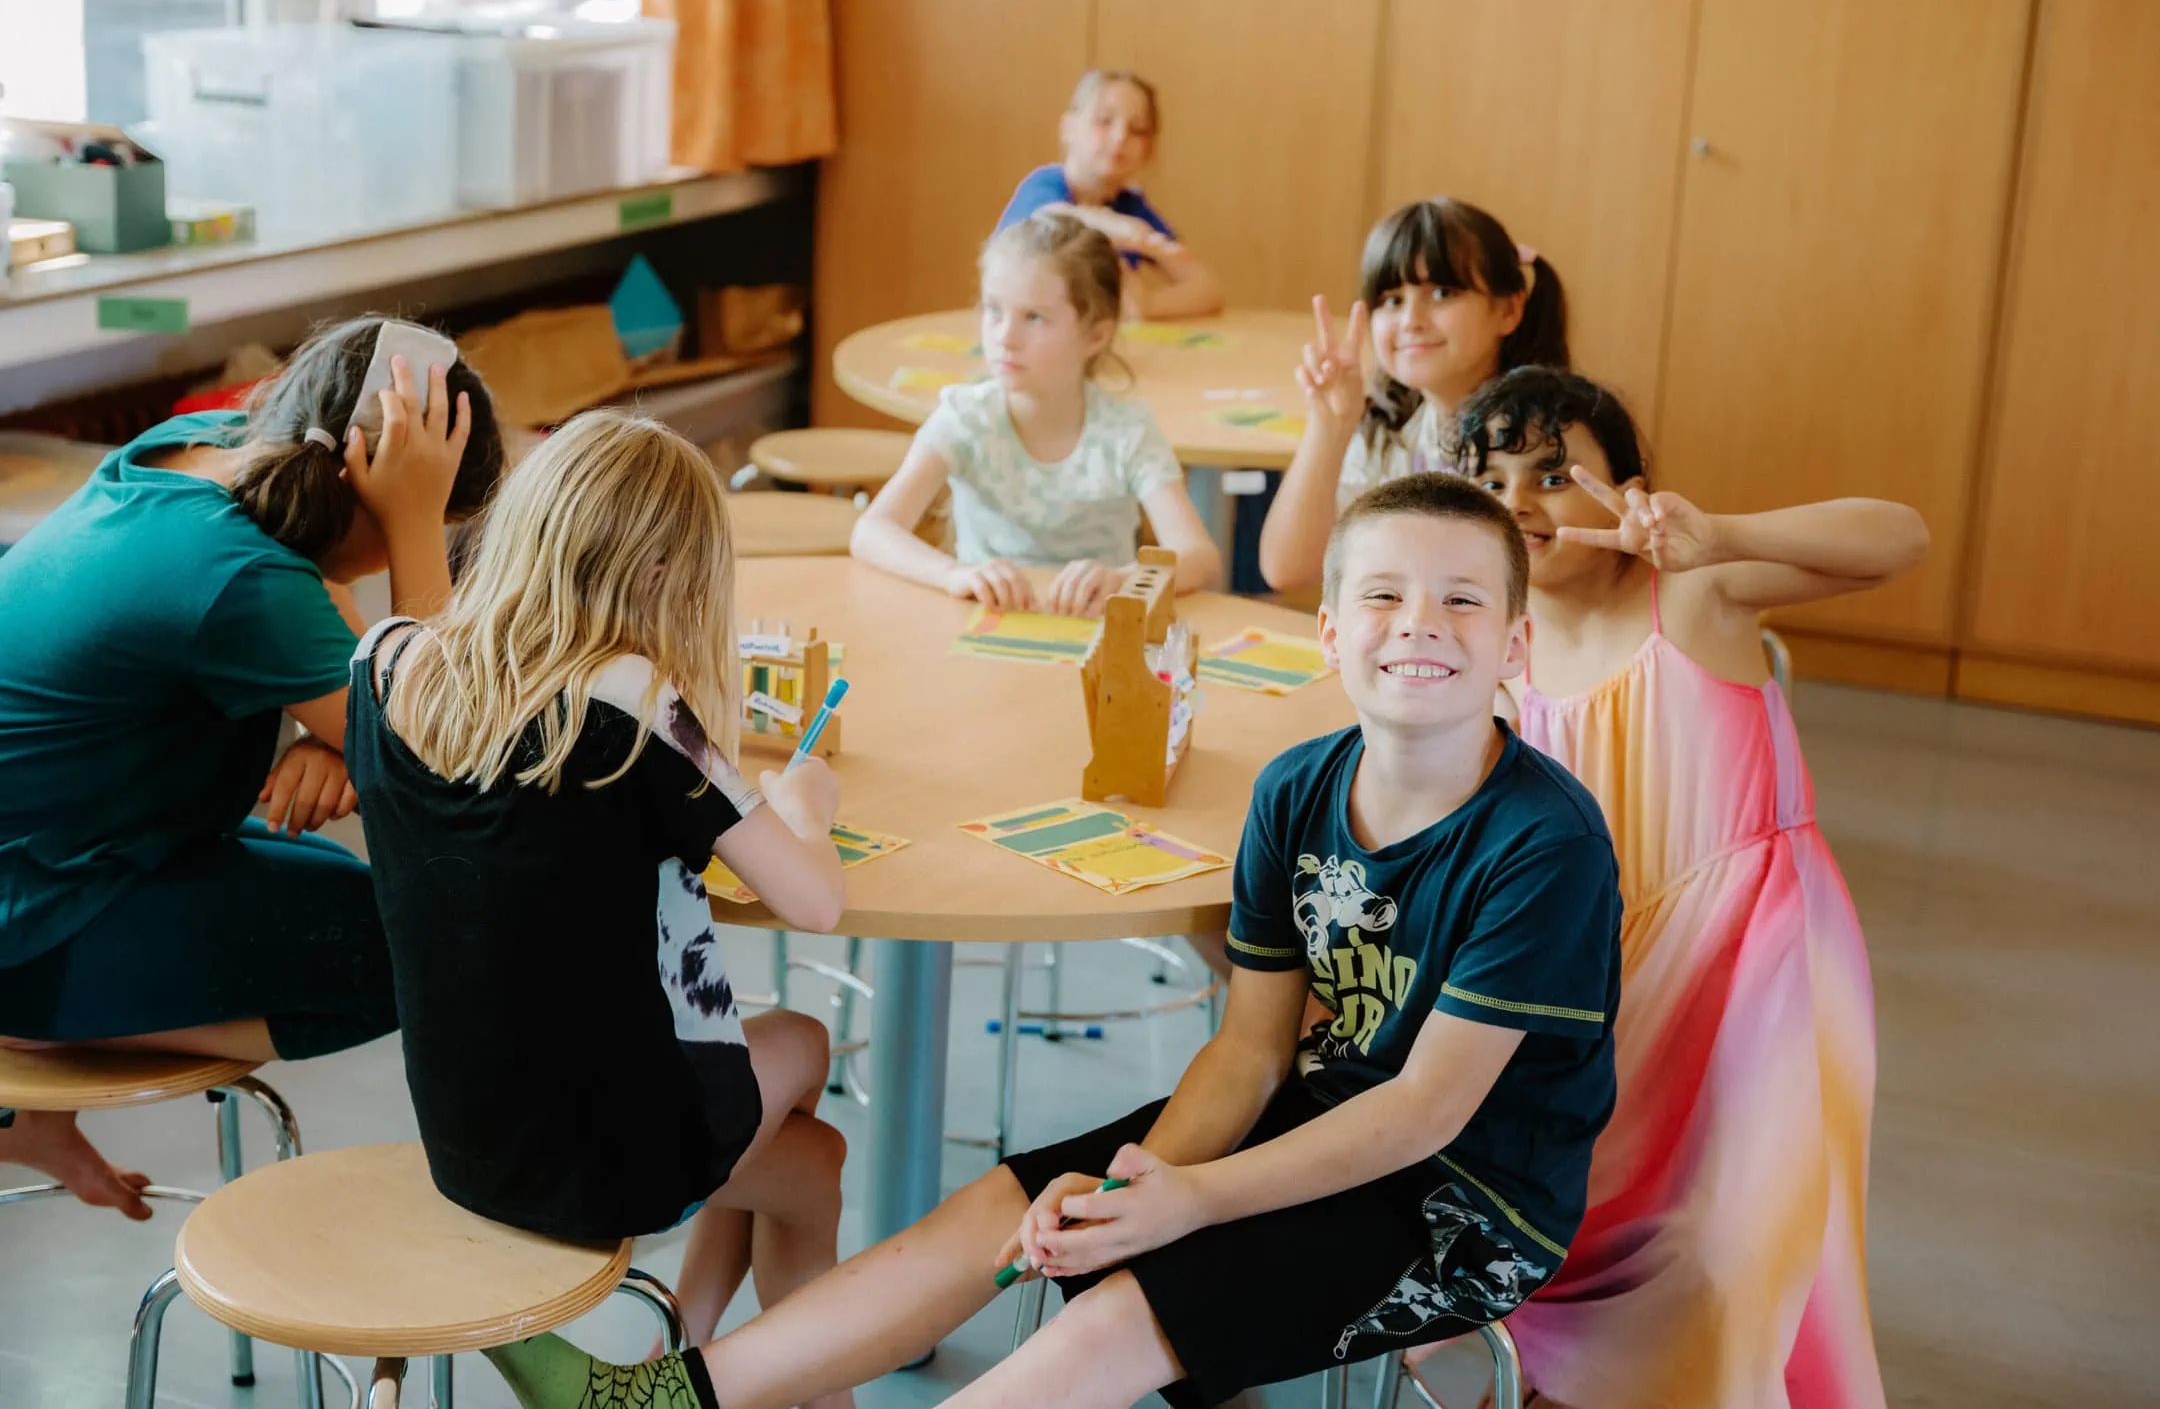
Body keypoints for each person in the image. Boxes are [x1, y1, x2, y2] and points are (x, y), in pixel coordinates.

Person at [469, 472, 1624, 1409]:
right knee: (1000, 1213)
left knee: (1125, 1312)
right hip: (1312, 1117)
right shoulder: (1294, 791)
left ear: (1517, 643)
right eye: (1383, 596)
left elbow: (1426, 1113)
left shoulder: (1546, 841)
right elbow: (1254, 1052)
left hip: (1468, 1202)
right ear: (1330, 630)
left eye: (1463, 601)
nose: (1420, 623)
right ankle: (661, 1402)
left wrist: (1190, 1205)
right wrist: (1149, 1183)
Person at [1446, 366, 1927, 1408]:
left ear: (1631, 492)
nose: (1521, 503)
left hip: (1763, 957)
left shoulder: (1695, 593)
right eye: (1491, 482)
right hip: (1610, 974)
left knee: (1739, 1242)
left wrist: (1721, 533)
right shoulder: (1497, 649)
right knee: (1590, 1226)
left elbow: (1900, 538)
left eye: (1556, 475)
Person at [346, 410, 853, 1378]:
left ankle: (681, 1356)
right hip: (605, 1159)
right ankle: (723, 1376)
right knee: (807, 1052)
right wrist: (808, 802)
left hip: (464, 1135)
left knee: (808, 1158)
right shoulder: (629, 700)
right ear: (663, 579)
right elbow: (815, 902)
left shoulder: (383, 660)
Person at [0, 317, 501, 1217]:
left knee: (342, 879)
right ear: (367, 491)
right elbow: (446, 764)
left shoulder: (210, 448)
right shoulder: (242, 584)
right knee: (429, 940)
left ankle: (38, 1088)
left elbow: (322, 603)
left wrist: (336, 731)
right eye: (396, 525)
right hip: (29, 922)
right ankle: (30, 1039)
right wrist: (417, 529)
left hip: (58, 854)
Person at [852, 213, 1222, 614]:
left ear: (1096, 335)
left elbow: (1199, 557)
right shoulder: (966, 417)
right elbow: (872, 531)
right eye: (993, 310)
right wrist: (952, 574)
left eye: (1034, 318)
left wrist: (1122, 579)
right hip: (980, 630)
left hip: (1092, 640)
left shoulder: (1126, 430)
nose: (1005, 338)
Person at [1259, 197, 1568, 593]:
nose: (1411, 321)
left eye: (1442, 293)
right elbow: (1290, 570)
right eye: (1392, 300)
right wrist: (1329, 426)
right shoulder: (1392, 427)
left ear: (1508, 310)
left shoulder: (1546, 445)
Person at [996, 68, 1226, 319]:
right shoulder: (1045, 185)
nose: (1119, 137)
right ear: (1068, 128)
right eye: (1104, 121)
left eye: (1137, 130)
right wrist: (1120, 228)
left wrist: (1147, 305)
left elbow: (1208, 289)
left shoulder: (1131, 207)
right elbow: (1050, 218)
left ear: (1149, 149)